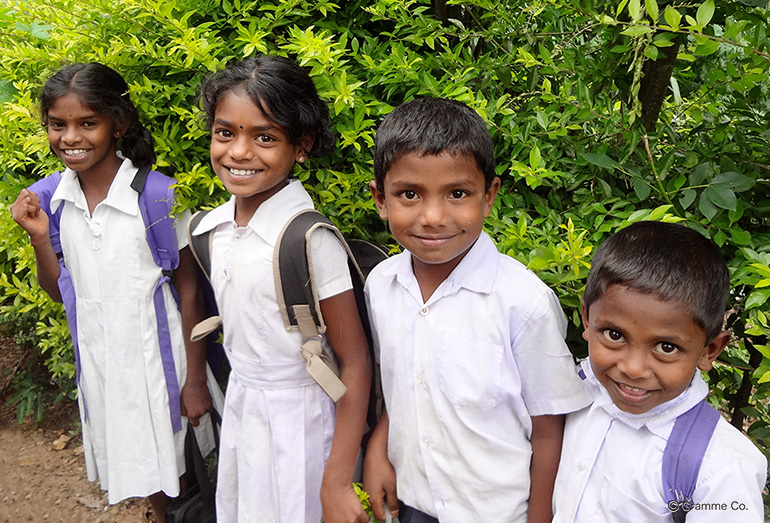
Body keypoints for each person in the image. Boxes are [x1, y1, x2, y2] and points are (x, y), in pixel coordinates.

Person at [9, 62, 223, 522]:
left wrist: (194, 381)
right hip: (104, 366)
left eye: (88, 123)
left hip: (162, 366)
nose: (71, 137)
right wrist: (39, 238)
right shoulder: (52, 200)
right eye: (57, 124)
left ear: (118, 124)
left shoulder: (159, 197)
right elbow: (60, 293)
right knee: (142, 470)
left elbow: (189, 295)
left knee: (184, 470)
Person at [362, 97, 592, 523]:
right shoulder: (381, 286)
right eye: (409, 194)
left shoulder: (523, 303)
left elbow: (549, 427)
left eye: (457, 194)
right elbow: (405, 385)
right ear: (380, 199)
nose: (433, 217)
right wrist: (379, 447)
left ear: (489, 196)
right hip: (414, 502)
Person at [193, 55, 371, 523]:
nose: (239, 151)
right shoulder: (212, 230)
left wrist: (337, 479)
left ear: (301, 146)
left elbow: (354, 361)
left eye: (265, 137)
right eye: (225, 132)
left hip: (303, 424)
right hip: (244, 408)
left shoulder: (307, 240)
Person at [552, 221, 767, 521]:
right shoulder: (568, 394)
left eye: (666, 347)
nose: (633, 368)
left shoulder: (719, 468)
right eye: (615, 335)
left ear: (710, 351)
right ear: (587, 319)